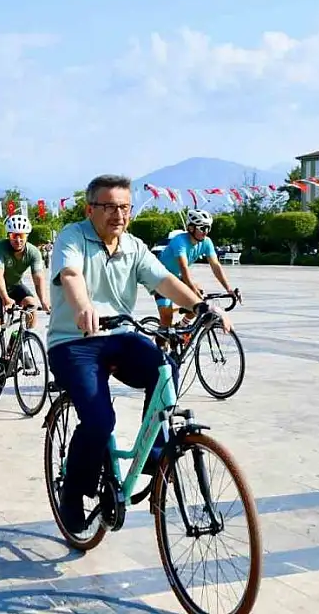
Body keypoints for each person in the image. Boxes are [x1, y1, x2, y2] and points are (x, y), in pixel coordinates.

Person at [46, 174, 231, 534]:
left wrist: (201, 307)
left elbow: (163, 280)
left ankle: (156, 453)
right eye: (110, 206)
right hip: (74, 342)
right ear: (90, 209)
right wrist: (83, 306)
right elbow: (71, 274)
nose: (119, 214)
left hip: (119, 335)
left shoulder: (133, 246)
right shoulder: (73, 236)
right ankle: (72, 492)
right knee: (100, 422)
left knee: (164, 366)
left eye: (125, 207)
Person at [0, 214, 51, 384]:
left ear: (27, 236)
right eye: (13, 235)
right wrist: (5, 299)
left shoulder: (33, 252)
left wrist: (44, 301)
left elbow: (38, 278)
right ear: (8, 236)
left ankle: (20, 345)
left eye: (22, 236)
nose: (18, 239)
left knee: (31, 306)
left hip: (14, 285)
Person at [155, 209, 239, 330]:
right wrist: (193, 291)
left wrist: (229, 289)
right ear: (191, 228)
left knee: (199, 301)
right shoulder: (180, 242)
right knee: (167, 318)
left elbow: (215, 266)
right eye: (203, 228)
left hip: (177, 277)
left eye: (208, 228)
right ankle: (160, 346)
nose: (206, 232)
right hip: (161, 278)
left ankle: (182, 327)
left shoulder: (206, 242)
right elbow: (184, 268)